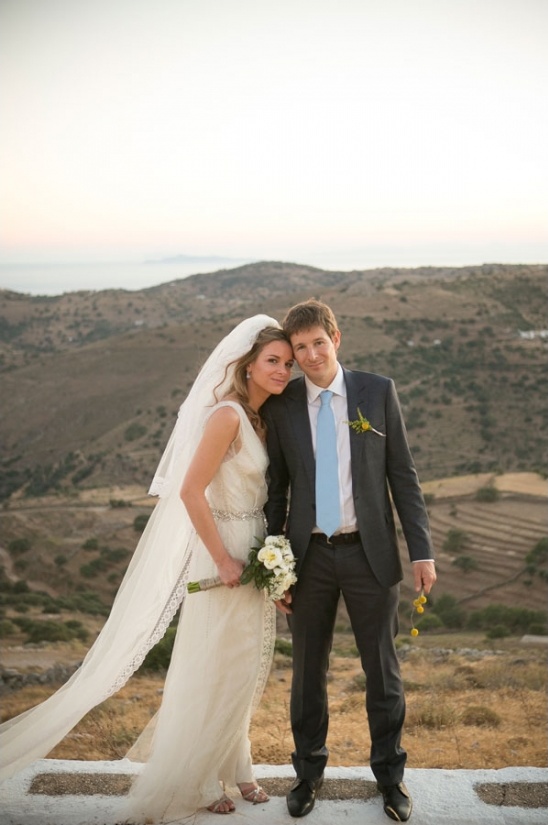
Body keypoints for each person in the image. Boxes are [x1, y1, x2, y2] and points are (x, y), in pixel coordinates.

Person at [0, 316, 294, 821]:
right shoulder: (226, 415)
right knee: (212, 666)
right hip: (222, 550)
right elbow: (188, 490)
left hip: (254, 552)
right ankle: (198, 778)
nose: (283, 370)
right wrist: (222, 558)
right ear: (247, 365)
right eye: (273, 361)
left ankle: (237, 764)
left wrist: (273, 564)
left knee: (241, 667)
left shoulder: (263, 418)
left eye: (288, 363)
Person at [262, 299, 436, 822]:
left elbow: (402, 475)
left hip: (370, 554)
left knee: (382, 672)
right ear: (292, 353)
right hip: (309, 557)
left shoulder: (376, 392)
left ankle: (391, 780)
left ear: (336, 338)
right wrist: (276, 565)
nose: (311, 355)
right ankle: (308, 775)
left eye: (319, 342)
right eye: (300, 348)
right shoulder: (284, 404)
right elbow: (276, 492)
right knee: (307, 674)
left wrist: (421, 550)